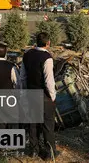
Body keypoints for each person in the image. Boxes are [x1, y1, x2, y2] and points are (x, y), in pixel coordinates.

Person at [20, 32, 60, 160]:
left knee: (33, 123)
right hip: (44, 95)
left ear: (36, 42)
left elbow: (22, 77)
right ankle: (49, 153)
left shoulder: (27, 55)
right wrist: (52, 96)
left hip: (31, 94)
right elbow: (49, 80)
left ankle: (33, 150)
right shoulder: (47, 58)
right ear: (48, 43)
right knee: (48, 125)